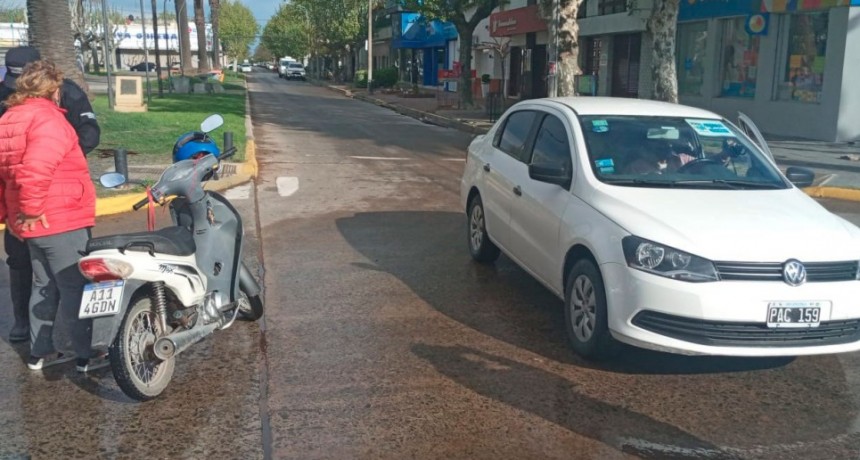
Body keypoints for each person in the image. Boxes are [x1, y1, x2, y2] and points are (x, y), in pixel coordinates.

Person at [0, 60, 99, 371]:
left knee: (43, 285)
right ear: (53, 90)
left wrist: (11, 216)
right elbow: (36, 170)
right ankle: (85, 355)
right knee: (75, 286)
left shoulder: (9, 120)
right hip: (59, 217)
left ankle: (40, 352)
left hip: (29, 223)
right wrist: (30, 210)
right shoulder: (49, 121)